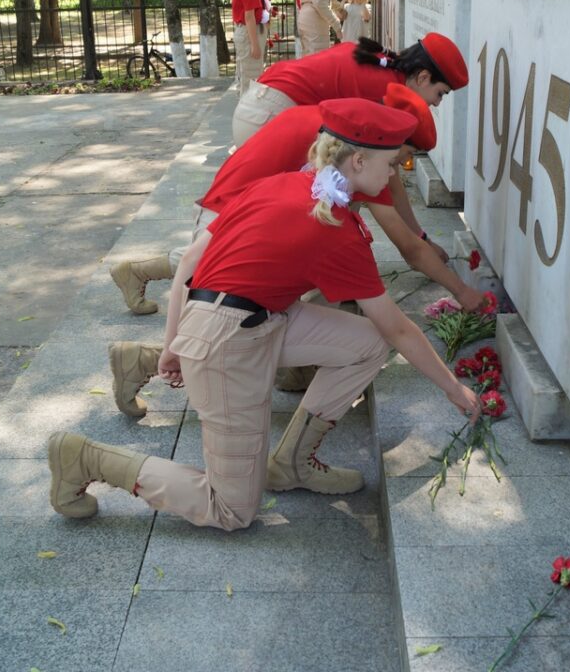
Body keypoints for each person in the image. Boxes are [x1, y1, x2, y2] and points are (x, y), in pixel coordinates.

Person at [48, 100, 482, 532]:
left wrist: (171, 341)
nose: (395, 174)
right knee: (231, 509)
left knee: (367, 344)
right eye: (391, 163)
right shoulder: (336, 227)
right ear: (359, 159)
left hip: (244, 321)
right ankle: (85, 459)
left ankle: (292, 463)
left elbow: (188, 266)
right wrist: (453, 388)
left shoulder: (279, 184)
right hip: (227, 345)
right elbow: (399, 328)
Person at [108, 83, 485, 416]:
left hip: (254, 203)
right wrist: (462, 292)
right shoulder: (359, 169)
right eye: (398, 160)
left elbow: (404, 228)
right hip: (235, 210)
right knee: (246, 313)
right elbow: (404, 262)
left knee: (274, 293)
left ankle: (170, 355)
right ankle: (146, 352)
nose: (397, 171)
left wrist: (423, 238)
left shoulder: (346, 143)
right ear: (373, 149)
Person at [231, 31, 468, 145]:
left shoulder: (383, 66)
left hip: (257, 106)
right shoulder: (387, 91)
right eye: (440, 94)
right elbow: (377, 179)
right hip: (270, 114)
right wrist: (417, 240)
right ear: (423, 77)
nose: (436, 103)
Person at [230, 0, 268, 96]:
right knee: (251, 79)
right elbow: (249, 16)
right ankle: (247, 115)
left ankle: (246, 113)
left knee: (248, 76)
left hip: (245, 32)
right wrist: (255, 44)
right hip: (249, 34)